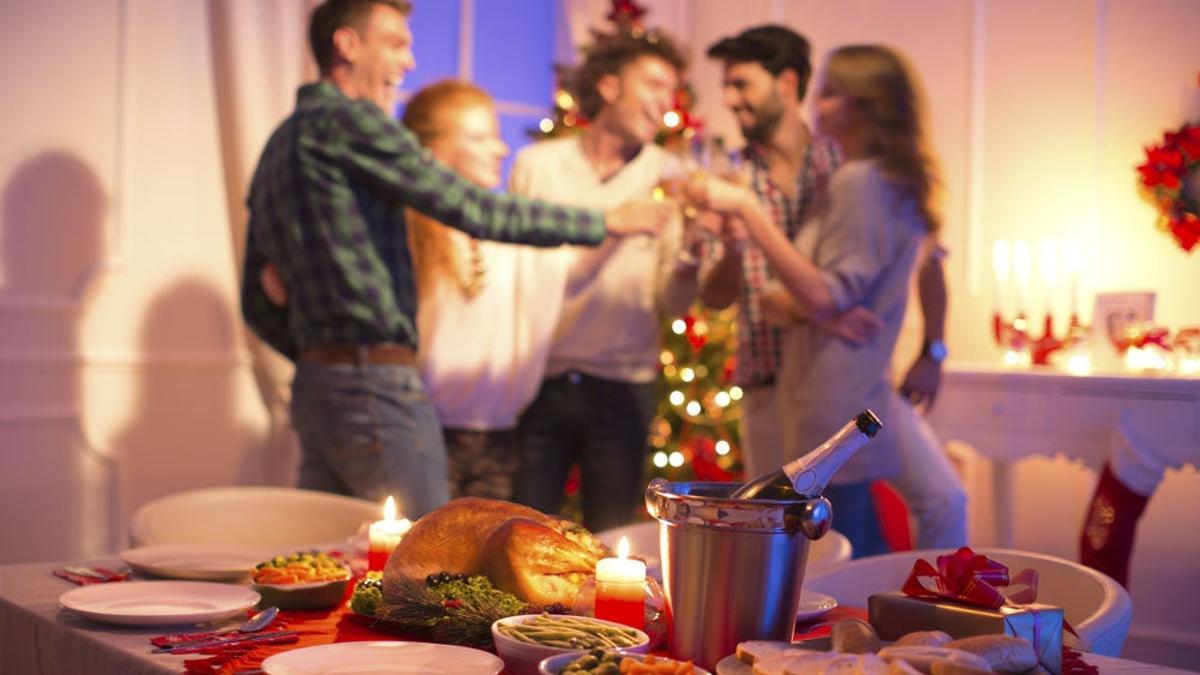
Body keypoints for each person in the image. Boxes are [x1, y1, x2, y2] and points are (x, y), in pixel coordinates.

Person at [240, 0, 667, 518]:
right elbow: (471, 208)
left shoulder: (278, 145)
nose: (410, 62)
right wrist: (604, 222)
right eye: (396, 43)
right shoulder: (349, 122)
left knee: (337, 558)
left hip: (316, 387)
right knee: (427, 569)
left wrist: (319, 356)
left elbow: (255, 300)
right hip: (377, 382)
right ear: (347, 46)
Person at [693, 42, 964, 555]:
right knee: (810, 539)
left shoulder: (850, 174)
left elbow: (854, 283)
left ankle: (929, 620)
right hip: (789, 381)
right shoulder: (764, 172)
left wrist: (933, 349)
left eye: (833, 94)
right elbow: (770, 297)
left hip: (837, 394)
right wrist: (819, 312)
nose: (729, 98)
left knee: (838, 548)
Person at [510, 30, 700, 533]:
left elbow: (675, 302)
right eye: (654, 84)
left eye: (671, 91)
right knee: (523, 529)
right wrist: (616, 225)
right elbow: (521, 279)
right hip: (539, 383)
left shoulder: (672, 174)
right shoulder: (538, 166)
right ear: (610, 86)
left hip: (623, 390)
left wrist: (693, 254)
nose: (665, 102)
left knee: (610, 542)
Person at [402, 80, 558, 500]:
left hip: (499, 438)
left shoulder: (506, 233)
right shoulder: (407, 233)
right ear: (432, 150)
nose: (501, 149)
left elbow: (568, 266)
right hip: (421, 434)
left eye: (498, 135)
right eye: (481, 136)